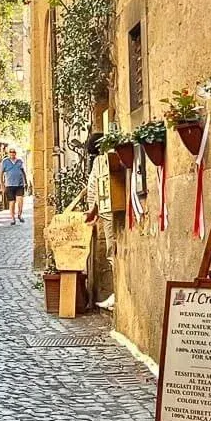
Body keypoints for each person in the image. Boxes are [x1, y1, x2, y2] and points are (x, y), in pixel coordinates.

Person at [85, 132, 115, 311]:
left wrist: (93, 210)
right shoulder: (101, 160)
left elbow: (99, 188)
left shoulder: (101, 161)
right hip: (104, 211)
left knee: (112, 251)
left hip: (106, 211)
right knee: (111, 251)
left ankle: (117, 295)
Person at [0, 146, 28, 225]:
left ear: (15, 153)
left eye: (14, 152)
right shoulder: (5, 161)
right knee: (12, 202)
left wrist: (26, 182)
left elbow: (23, 172)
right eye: (11, 152)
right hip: (9, 185)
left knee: (20, 200)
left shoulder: (19, 161)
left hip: (19, 184)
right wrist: (2, 185)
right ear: (9, 153)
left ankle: (19, 215)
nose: (12, 153)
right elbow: (1, 173)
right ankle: (12, 218)